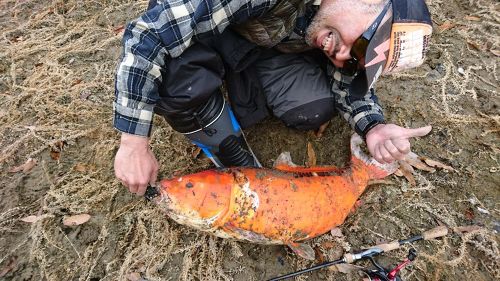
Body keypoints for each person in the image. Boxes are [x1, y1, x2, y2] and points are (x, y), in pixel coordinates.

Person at [113, 0, 434, 195]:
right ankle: (219, 138)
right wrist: (132, 143)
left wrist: (372, 126)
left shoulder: (338, 21)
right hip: (202, 37)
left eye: (358, 59)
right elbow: (148, 36)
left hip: (260, 46)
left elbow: (348, 81)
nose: (344, 56)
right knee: (179, 78)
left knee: (313, 107)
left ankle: (235, 89)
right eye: (361, 46)